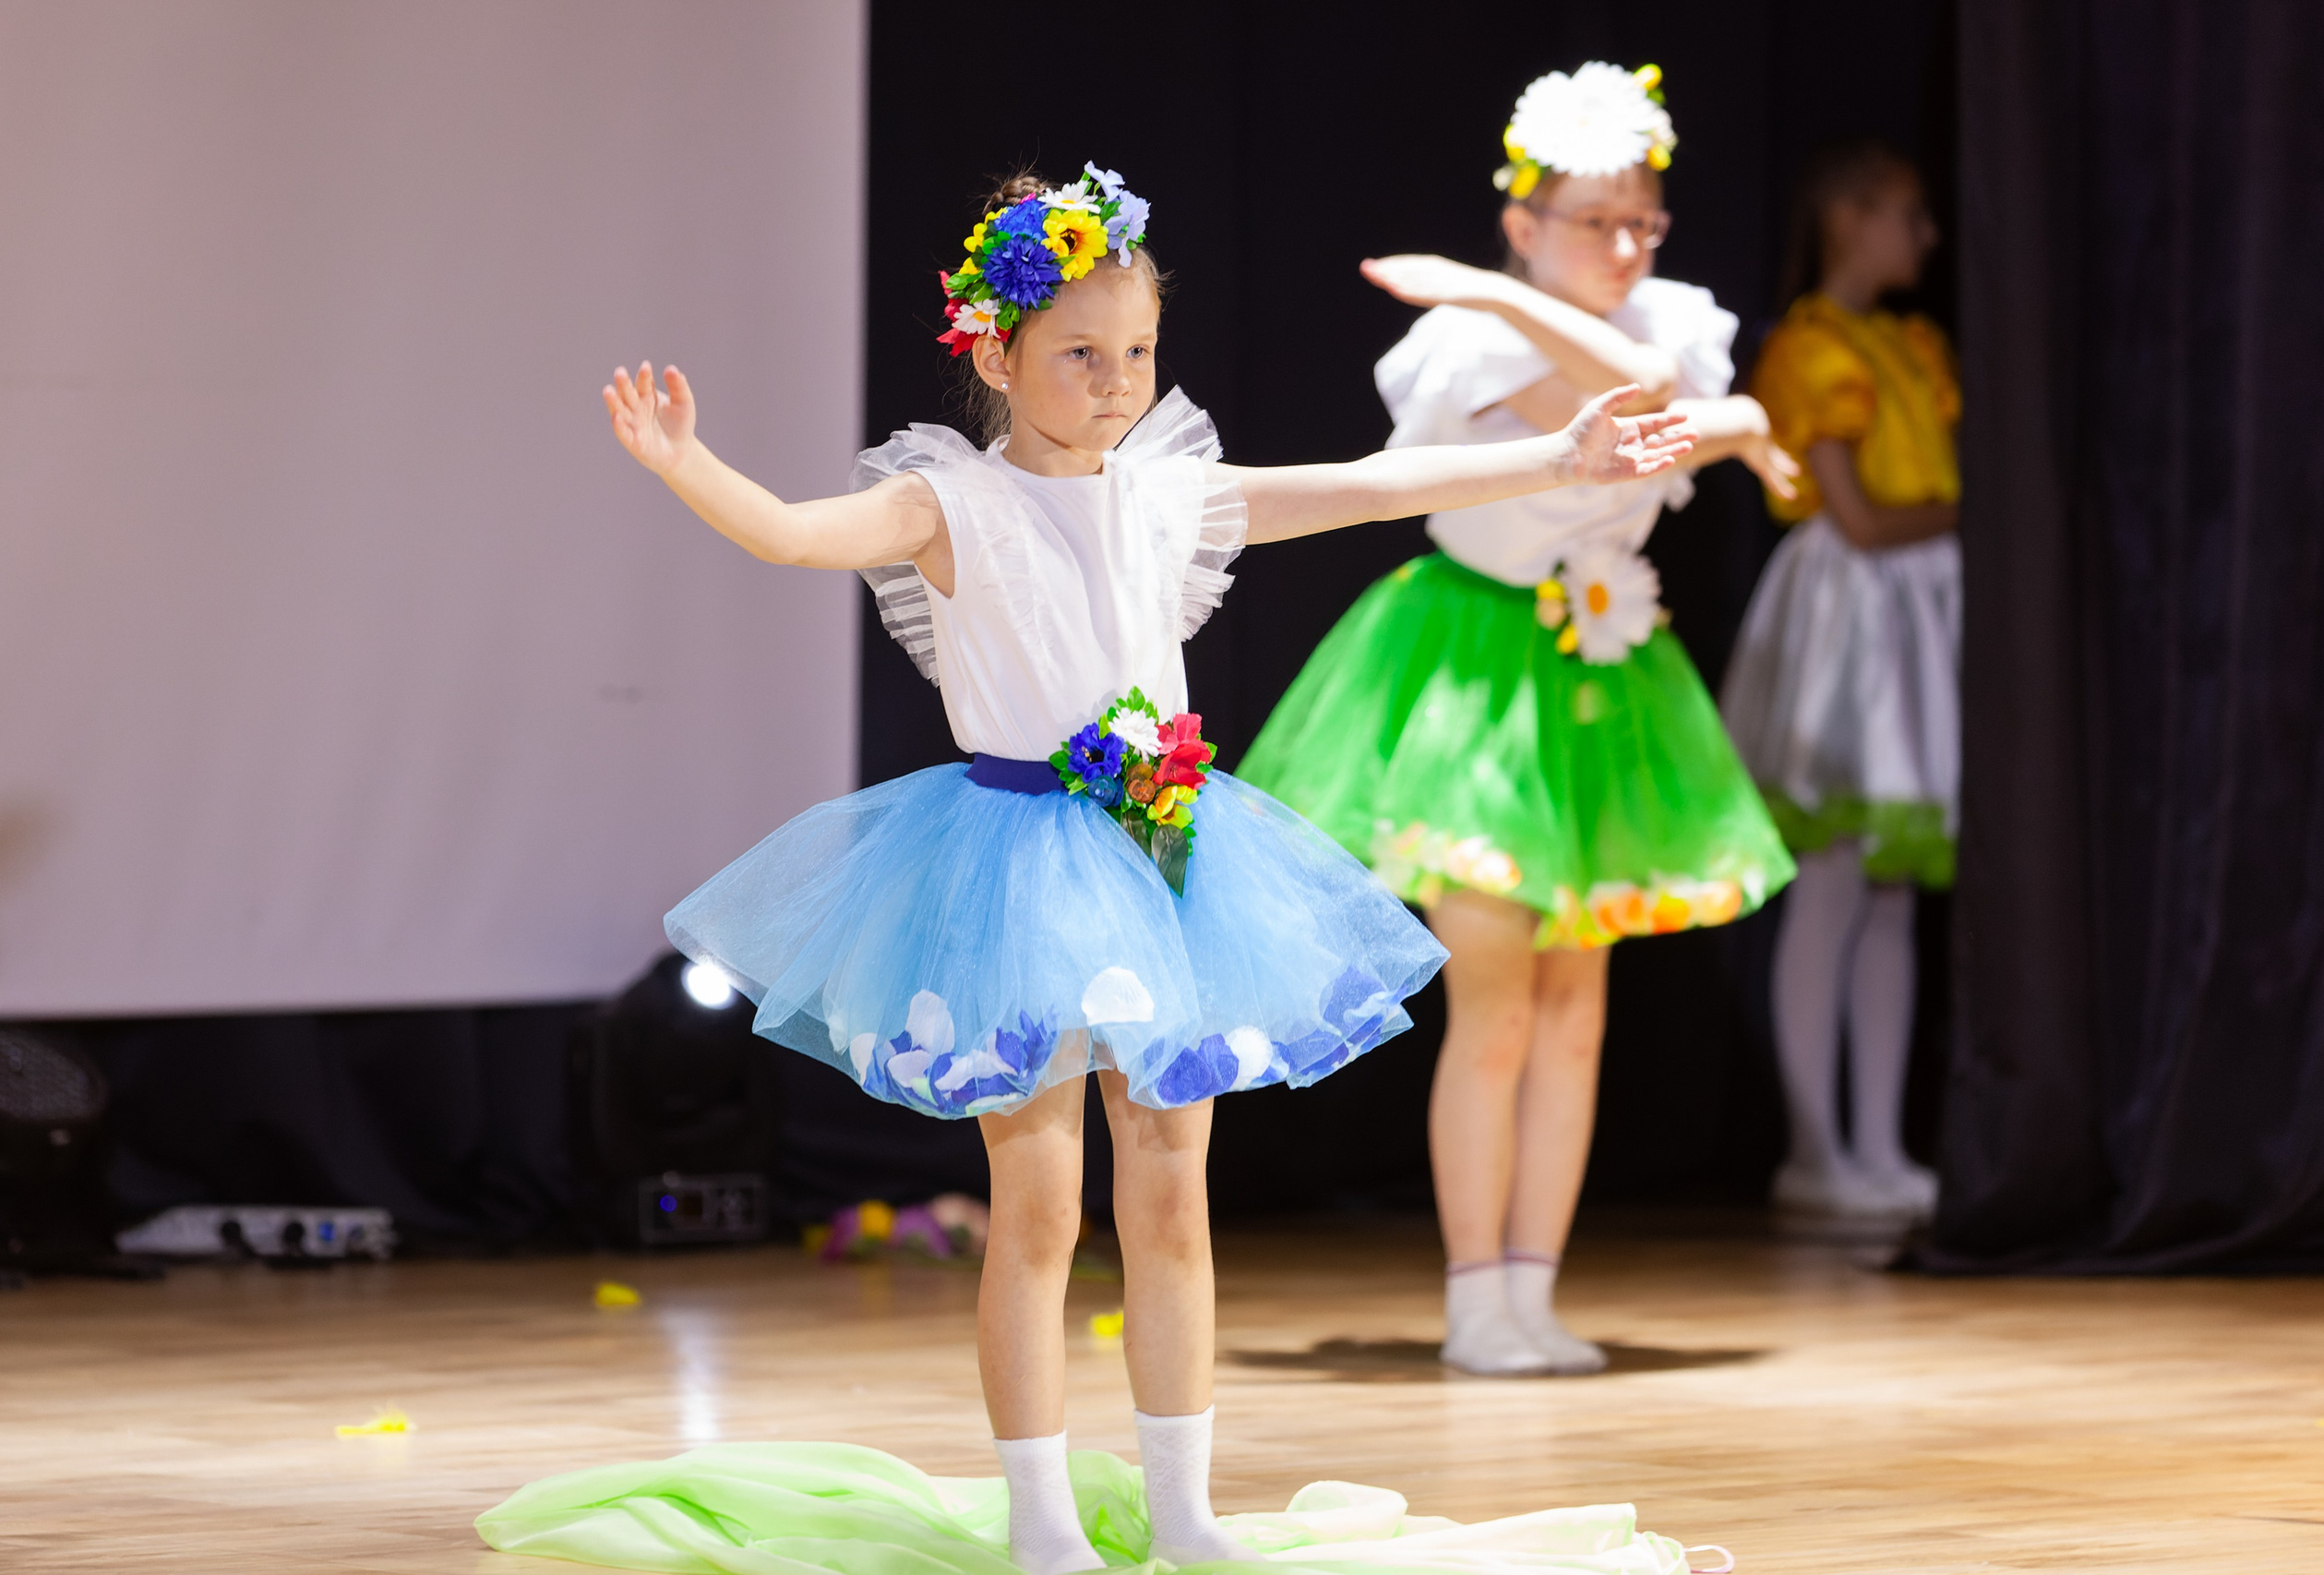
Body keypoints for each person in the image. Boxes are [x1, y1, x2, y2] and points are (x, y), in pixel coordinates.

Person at [522, 167, 1697, 1575]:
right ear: (996, 352)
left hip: (1164, 852)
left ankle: (1188, 1508)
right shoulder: (946, 503)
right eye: (1082, 352)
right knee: (1037, 1207)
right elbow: (793, 532)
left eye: (1137, 350)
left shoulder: (1164, 494)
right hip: (1014, 867)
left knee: (1170, 1189)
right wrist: (685, 465)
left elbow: (1372, 486)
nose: (1117, 379)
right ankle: (1040, 1519)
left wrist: (1561, 456)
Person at [1237, 65, 1797, 1377]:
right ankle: (1477, 1289)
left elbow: (1684, 401)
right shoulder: (1468, 345)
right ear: (1526, 222)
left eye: (1643, 225)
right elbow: (1647, 417)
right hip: (1474, 669)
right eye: (1596, 223)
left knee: (1576, 1002)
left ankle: (1534, 1288)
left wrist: (1743, 417)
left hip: (1603, 669)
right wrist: (1505, 304)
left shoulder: (1669, 322)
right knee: (1492, 999)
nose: (1624, 249)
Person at [1718, 138, 1958, 1220]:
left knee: (1892, 892)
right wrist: (1974, 518)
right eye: (1906, 213)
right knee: (1836, 878)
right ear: (1848, 218)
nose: (1926, 236)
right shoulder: (1815, 350)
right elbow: (1856, 517)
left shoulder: (1909, 342)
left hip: (1914, 611)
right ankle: (1815, 1145)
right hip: (1855, 617)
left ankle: (1877, 1141)